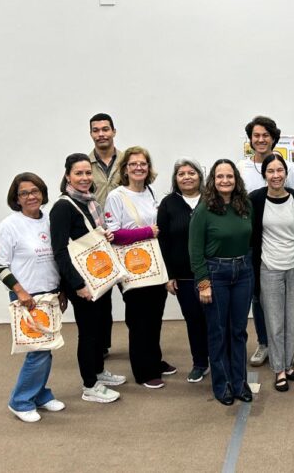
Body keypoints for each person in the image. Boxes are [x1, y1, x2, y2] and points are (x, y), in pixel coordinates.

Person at [0, 173, 67, 422]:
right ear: (16, 199)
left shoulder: (49, 221)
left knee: (46, 348)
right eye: (24, 193)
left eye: (35, 191)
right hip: (28, 297)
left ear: (42, 193)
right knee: (38, 351)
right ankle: (20, 401)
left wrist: (62, 290)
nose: (31, 196)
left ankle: (40, 394)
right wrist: (21, 292)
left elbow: (58, 256)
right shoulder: (9, 226)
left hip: (50, 295)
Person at [50, 153, 126, 403]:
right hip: (81, 281)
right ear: (67, 176)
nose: (84, 178)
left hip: (98, 276)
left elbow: (90, 237)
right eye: (78, 173)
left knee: (101, 325)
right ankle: (90, 385)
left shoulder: (90, 201)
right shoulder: (63, 207)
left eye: (87, 173)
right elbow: (59, 251)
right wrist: (78, 284)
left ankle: (99, 371)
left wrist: (106, 235)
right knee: (88, 331)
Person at [104, 146, 173, 389]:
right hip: (132, 266)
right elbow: (113, 234)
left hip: (154, 264)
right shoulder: (116, 196)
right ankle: (144, 371)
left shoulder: (149, 192)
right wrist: (146, 232)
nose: (138, 167)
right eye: (133, 164)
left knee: (154, 315)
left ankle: (154, 360)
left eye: (143, 163)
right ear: (124, 169)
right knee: (139, 319)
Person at [189, 159, 254, 406]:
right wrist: (203, 283)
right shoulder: (204, 209)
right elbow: (195, 250)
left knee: (238, 331)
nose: (225, 181)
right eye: (220, 176)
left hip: (243, 273)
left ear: (236, 179)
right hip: (215, 274)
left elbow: (250, 239)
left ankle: (240, 382)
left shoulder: (245, 205)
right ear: (212, 180)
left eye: (229, 176)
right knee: (218, 332)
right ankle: (222, 385)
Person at [237, 116, 294, 368]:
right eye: (256, 135)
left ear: (274, 138)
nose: (261, 139)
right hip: (253, 241)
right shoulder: (242, 167)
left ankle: (283, 349)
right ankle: (264, 343)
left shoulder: (288, 167)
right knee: (259, 297)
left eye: (266, 135)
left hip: (281, 242)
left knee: (285, 303)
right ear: (250, 140)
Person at [249, 154, 294, 392]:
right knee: (274, 324)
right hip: (269, 268)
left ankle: (288, 364)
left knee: (293, 323)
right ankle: (279, 370)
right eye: (271, 171)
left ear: (286, 172)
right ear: (264, 174)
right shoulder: (255, 199)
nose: (276, 175)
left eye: (280, 170)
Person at [157, 159, 210, 383]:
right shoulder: (168, 203)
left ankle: (221, 359)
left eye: (191, 173)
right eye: (181, 174)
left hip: (213, 272)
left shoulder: (211, 199)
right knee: (194, 320)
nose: (187, 177)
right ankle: (200, 363)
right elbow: (163, 241)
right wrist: (168, 275)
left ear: (200, 176)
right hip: (184, 276)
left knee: (216, 320)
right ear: (175, 179)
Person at [88, 112, 123, 358]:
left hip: (124, 239)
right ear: (91, 134)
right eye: (96, 130)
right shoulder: (84, 165)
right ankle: (101, 347)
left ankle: (142, 347)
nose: (101, 134)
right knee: (101, 299)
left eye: (105, 129)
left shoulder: (128, 160)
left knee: (134, 296)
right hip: (97, 241)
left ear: (113, 132)